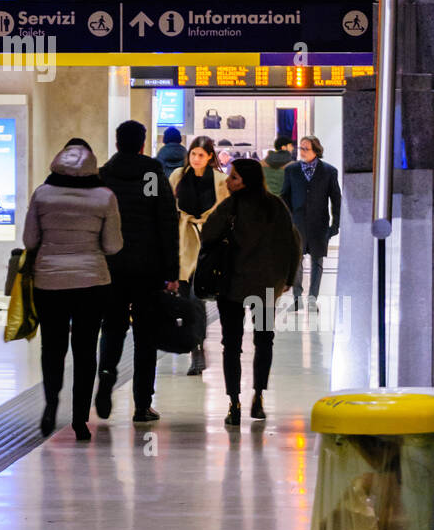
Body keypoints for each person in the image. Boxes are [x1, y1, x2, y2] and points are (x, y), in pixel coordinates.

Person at [23, 138, 122, 441]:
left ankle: (51, 406)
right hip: (91, 283)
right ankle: (80, 420)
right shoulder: (105, 197)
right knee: (85, 349)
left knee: (51, 347)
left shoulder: (43, 194)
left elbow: (29, 240)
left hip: (49, 282)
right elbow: (112, 245)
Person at [201, 157, 301, 425]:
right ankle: (258, 397)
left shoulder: (231, 206)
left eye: (233, 177)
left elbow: (207, 236)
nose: (228, 181)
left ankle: (234, 403)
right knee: (264, 340)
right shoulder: (276, 206)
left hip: (231, 285)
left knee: (231, 345)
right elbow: (293, 243)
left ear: (246, 181)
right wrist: (288, 278)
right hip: (267, 288)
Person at [94, 120, 180, 425]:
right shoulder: (151, 175)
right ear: (143, 144)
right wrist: (172, 270)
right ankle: (142, 405)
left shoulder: (104, 175)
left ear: (117, 143)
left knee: (113, 327)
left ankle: (106, 375)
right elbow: (165, 221)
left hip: (112, 267)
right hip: (148, 269)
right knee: (146, 336)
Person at [169, 136, 228, 374]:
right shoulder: (177, 176)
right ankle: (192, 345)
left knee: (196, 299)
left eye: (201, 155)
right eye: (193, 154)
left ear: (210, 157)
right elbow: (170, 207)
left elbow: (227, 212)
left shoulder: (221, 181)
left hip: (208, 244)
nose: (196, 159)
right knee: (185, 300)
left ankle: (198, 349)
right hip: (183, 243)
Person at [280, 135, 341, 310]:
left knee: (317, 262)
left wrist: (335, 225)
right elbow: (285, 196)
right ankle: (297, 299)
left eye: (306, 148)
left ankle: (313, 300)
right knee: (296, 261)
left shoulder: (329, 171)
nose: (302, 152)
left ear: (316, 150)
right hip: (296, 223)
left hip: (319, 224)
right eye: (300, 148)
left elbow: (336, 199)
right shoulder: (291, 170)